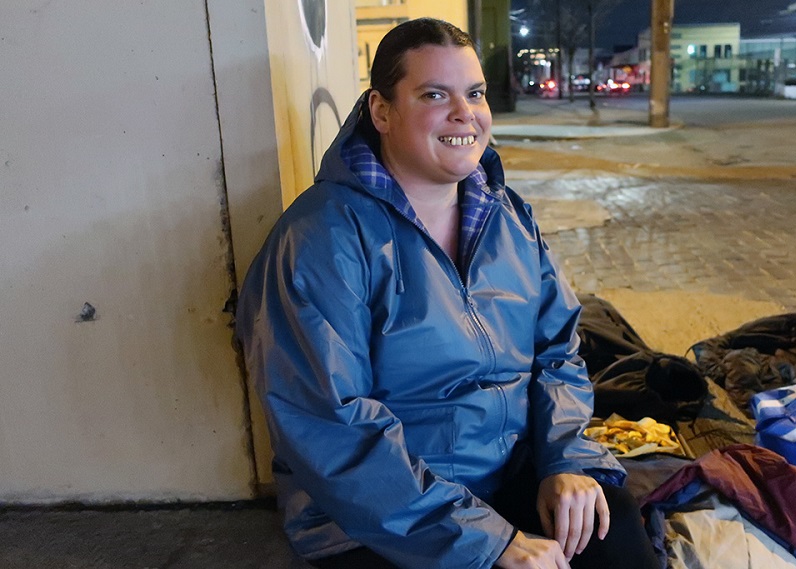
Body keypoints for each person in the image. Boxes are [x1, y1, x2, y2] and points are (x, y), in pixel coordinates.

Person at [235, 18, 660, 569]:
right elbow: (330, 425)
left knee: (617, 537)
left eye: (475, 93)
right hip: (380, 514)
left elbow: (559, 350)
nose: (465, 114)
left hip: (508, 471)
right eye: (435, 94)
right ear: (381, 112)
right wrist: (488, 542)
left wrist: (567, 460)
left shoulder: (506, 217)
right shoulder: (323, 238)